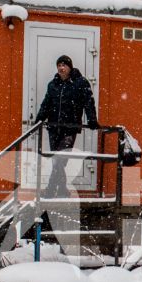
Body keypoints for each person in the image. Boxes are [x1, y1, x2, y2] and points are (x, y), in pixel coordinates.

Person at [35, 54, 98, 198]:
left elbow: (88, 102)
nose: (61, 68)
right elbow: (46, 104)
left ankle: (51, 190)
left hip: (69, 128)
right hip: (53, 127)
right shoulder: (53, 84)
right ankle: (63, 190)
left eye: (64, 65)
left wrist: (92, 120)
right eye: (59, 65)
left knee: (59, 159)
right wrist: (39, 120)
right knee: (57, 161)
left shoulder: (80, 83)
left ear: (70, 67)